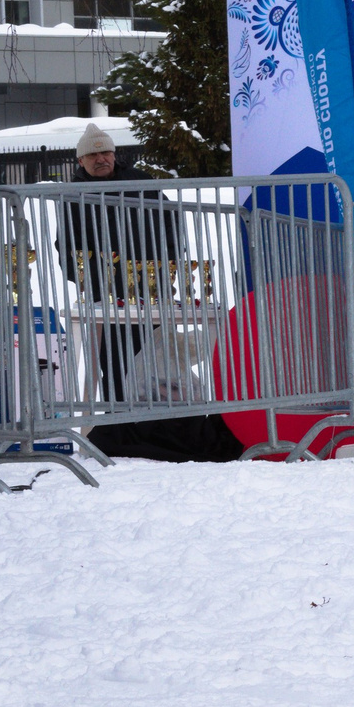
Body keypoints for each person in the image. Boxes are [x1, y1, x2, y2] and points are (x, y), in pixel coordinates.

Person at [61, 125, 227, 461]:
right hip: (103, 293)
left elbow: (171, 227)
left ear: (114, 154)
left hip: (150, 292)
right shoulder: (72, 194)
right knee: (111, 358)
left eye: (105, 152)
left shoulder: (141, 182)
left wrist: (164, 271)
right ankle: (116, 427)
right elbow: (67, 245)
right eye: (92, 154)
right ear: (81, 160)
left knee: (153, 356)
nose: (101, 159)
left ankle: (159, 425)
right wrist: (86, 278)